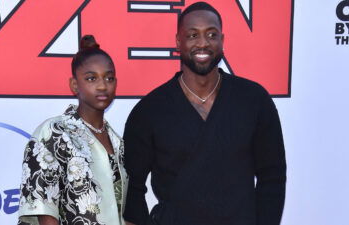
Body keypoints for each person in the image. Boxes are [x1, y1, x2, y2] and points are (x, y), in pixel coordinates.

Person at [123, 2, 286, 225]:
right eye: (192, 35)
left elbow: (272, 175)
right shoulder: (149, 111)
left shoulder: (254, 100)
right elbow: (131, 188)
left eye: (211, 34)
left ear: (222, 41)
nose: (202, 43)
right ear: (178, 41)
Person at [18, 35, 128, 225]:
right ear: (74, 85)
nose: (102, 86)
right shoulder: (54, 133)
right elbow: (45, 211)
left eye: (109, 78)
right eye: (91, 78)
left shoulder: (118, 142)